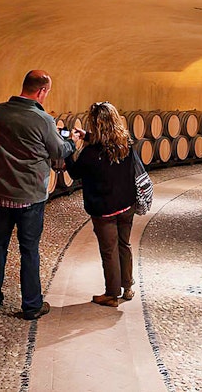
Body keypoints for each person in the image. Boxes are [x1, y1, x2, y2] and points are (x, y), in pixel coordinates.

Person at [0, 70, 76, 320]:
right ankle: (31, 305)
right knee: (29, 250)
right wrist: (73, 141)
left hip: (0, 193)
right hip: (29, 196)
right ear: (42, 91)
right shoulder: (43, 119)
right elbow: (59, 150)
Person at [65, 101, 138, 307]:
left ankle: (111, 294)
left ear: (95, 124)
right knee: (124, 244)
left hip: (105, 209)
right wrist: (87, 135)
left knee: (109, 250)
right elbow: (106, 143)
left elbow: (74, 172)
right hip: (126, 204)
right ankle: (128, 286)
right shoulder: (125, 143)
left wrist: (70, 148)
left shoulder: (90, 154)